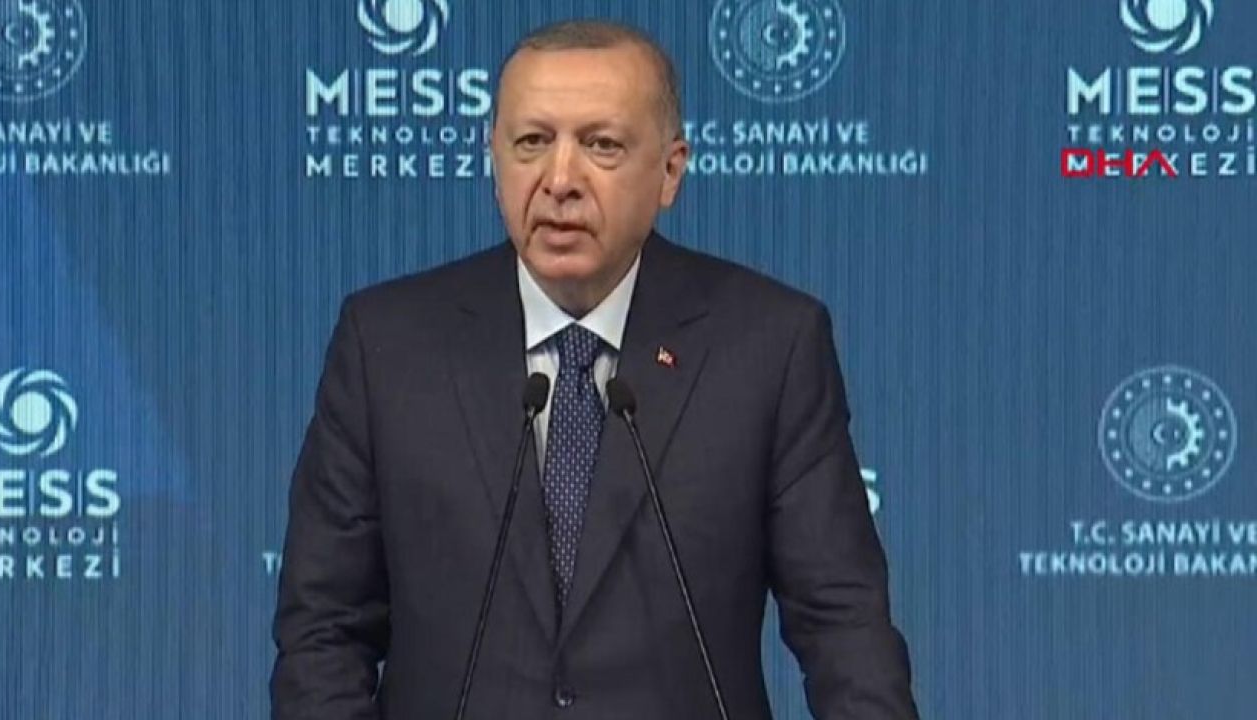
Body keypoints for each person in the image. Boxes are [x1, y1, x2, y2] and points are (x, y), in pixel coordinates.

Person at [271, 19, 918, 720]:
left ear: (670, 171)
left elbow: (843, 627)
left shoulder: (768, 344)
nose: (560, 181)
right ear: (493, 158)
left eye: (601, 145)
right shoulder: (388, 344)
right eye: (532, 142)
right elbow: (323, 632)